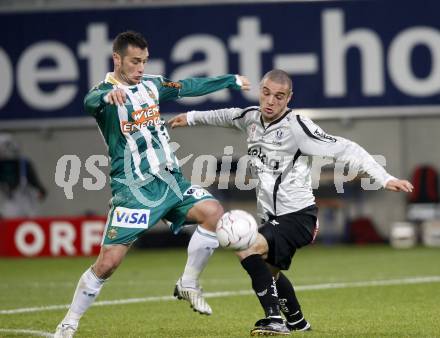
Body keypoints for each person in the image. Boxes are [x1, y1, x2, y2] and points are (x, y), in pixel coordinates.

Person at [169, 69, 414, 336]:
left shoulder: (297, 127)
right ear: (260, 92)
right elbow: (226, 115)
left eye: (279, 96)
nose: (271, 101)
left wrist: (384, 177)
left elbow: (346, 148)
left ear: (289, 98)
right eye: (266, 93)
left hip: (298, 217)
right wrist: (191, 117)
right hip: (272, 218)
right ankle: (297, 322)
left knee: (246, 247)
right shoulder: (251, 118)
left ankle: (274, 319)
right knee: (267, 273)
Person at [54, 31, 250, 338]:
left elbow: (187, 86)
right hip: (134, 190)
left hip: (171, 181)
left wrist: (229, 80)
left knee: (213, 212)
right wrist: (107, 96)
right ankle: (69, 321)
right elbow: (89, 101)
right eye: (134, 62)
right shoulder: (104, 94)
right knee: (108, 263)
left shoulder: (152, 84)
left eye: (144, 61)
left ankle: (188, 283)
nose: (140, 68)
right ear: (116, 58)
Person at [0, 133, 47, 218]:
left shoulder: (23, 164)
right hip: (9, 201)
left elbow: (35, 182)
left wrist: (40, 190)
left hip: (25, 201)